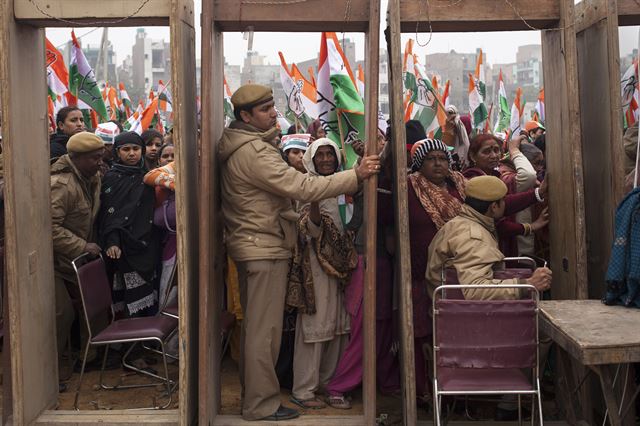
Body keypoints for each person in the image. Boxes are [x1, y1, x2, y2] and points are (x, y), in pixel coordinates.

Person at [218, 83, 380, 421]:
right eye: (264, 110)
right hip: (263, 248)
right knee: (265, 336)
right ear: (245, 116)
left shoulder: (247, 146)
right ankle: (260, 406)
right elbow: (302, 186)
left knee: (260, 332)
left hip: (259, 245)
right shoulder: (254, 152)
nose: (273, 113)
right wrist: (355, 175)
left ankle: (258, 399)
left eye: (272, 107)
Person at [287, 138, 356, 410]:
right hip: (316, 266)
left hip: (343, 268)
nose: (326, 159)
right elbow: (309, 230)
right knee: (315, 327)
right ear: (311, 160)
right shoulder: (304, 187)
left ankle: (330, 385)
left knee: (339, 328)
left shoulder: (346, 185)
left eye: (330, 154)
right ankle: (303, 390)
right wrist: (315, 200)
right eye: (321, 155)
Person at [426, 175, 553, 300]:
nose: (505, 204)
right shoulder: (474, 238)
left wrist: (539, 193)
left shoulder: (461, 222)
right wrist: (528, 284)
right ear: (494, 207)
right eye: (503, 200)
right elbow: (475, 290)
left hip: (450, 306)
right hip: (459, 314)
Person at [50, 132, 105, 372]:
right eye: (94, 158)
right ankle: (50, 372)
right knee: (61, 314)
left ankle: (88, 360)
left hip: (75, 261)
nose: (100, 162)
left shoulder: (91, 177)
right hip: (54, 262)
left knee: (95, 310)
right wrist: (83, 246)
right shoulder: (61, 185)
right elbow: (48, 228)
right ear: (77, 158)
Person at [98, 132, 159, 318]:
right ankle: (126, 345)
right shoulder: (110, 179)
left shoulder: (148, 177)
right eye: (126, 149)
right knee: (125, 302)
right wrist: (113, 242)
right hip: (120, 248)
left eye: (135, 149)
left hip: (147, 245)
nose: (131, 153)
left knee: (150, 298)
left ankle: (146, 340)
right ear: (117, 152)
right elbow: (109, 215)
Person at [464, 134, 549, 257]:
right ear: (472, 156)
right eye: (487, 152)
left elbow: (503, 203)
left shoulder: (495, 176)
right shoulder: (472, 179)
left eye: (496, 150)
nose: (493, 156)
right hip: (481, 248)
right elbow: (528, 175)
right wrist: (514, 149)